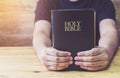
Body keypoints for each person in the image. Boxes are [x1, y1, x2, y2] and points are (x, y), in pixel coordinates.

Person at [33, 0, 118, 71]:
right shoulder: (45, 2)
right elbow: (41, 31)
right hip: (56, 64)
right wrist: (42, 51)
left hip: (94, 64)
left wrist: (107, 50)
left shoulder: (103, 1)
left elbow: (109, 30)